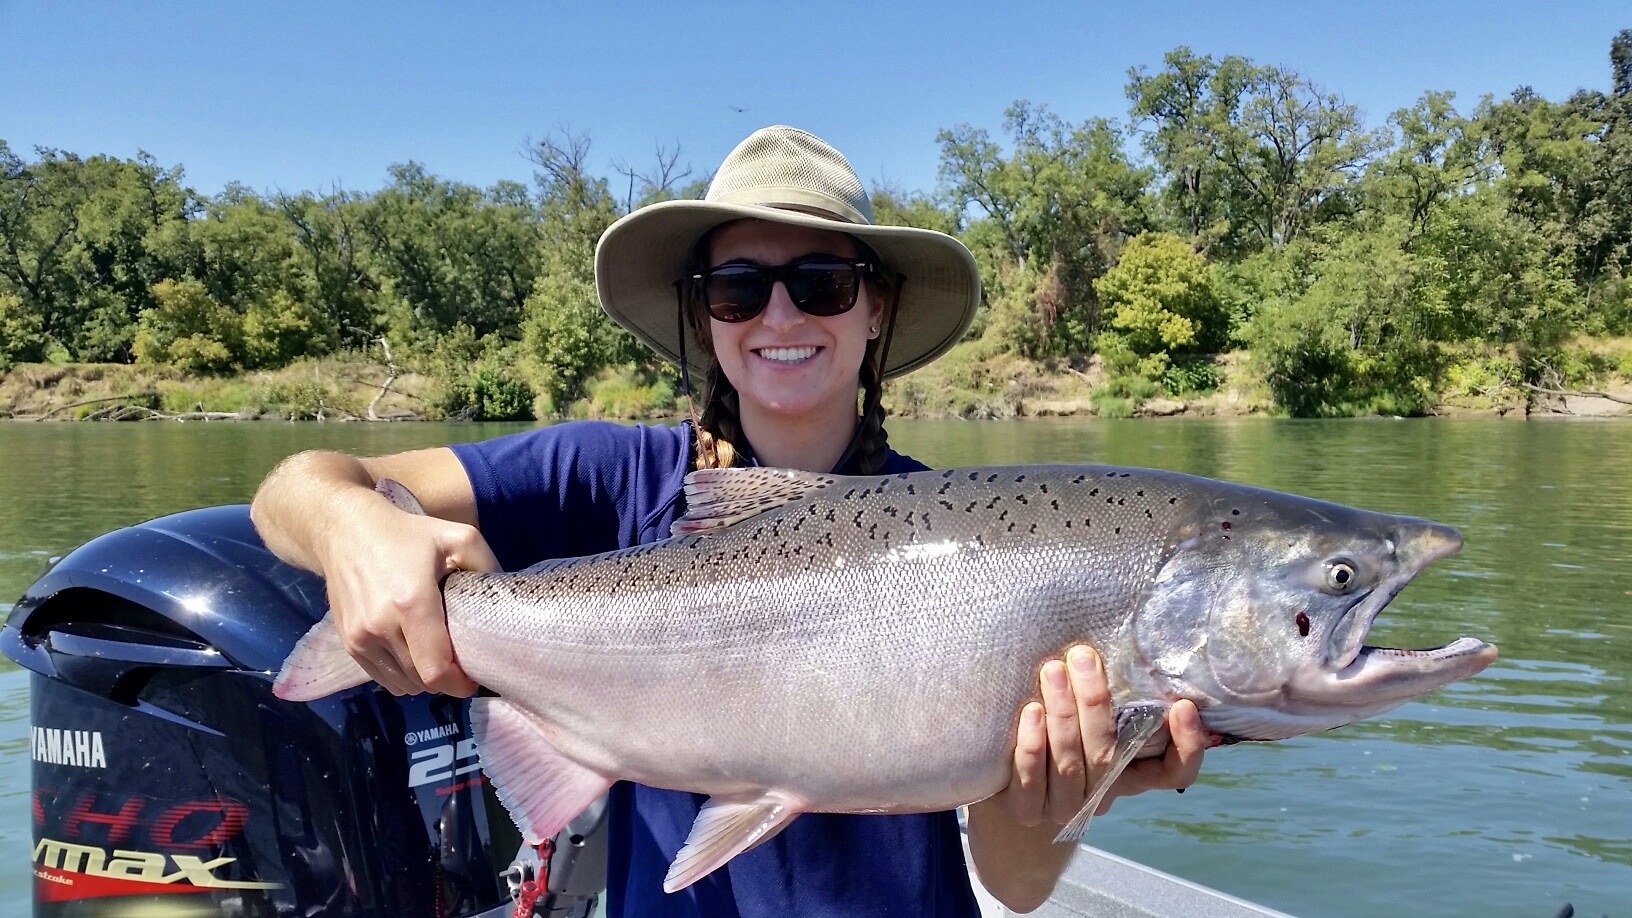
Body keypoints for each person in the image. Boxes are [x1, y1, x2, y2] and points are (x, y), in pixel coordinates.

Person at [251, 126, 1211, 917]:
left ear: (876, 309)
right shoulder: (605, 477)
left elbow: (1010, 883)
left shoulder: (972, 546)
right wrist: (351, 530)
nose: (780, 314)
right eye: (739, 286)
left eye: (823, 281)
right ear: (705, 315)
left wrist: (1062, 786)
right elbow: (294, 485)